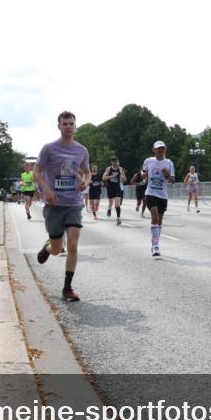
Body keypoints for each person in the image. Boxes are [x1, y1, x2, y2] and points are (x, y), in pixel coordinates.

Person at [34, 111, 90, 301]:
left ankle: (67, 288)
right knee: (58, 249)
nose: (68, 126)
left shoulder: (81, 150)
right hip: (54, 204)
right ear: (58, 126)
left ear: (75, 126)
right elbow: (37, 171)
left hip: (74, 203)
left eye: (71, 123)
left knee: (73, 244)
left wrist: (86, 182)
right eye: (65, 123)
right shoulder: (49, 148)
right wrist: (46, 190)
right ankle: (48, 247)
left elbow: (87, 172)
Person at [141, 141, 175, 256]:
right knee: (154, 215)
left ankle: (155, 240)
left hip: (163, 195)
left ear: (165, 150)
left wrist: (166, 175)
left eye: (162, 149)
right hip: (150, 193)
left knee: (159, 219)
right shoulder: (148, 161)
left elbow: (173, 181)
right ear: (154, 150)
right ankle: (156, 245)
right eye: (158, 149)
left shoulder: (169, 163)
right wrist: (143, 174)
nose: (160, 151)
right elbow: (143, 171)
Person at [102, 157, 127, 224]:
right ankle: (109, 209)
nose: (115, 163)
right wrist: (111, 176)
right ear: (111, 162)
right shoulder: (109, 169)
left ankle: (118, 218)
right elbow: (103, 178)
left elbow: (124, 180)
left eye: (116, 161)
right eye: (113, 161)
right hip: (110, 188)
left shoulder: (120, 169)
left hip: (117, 188)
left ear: (117, 162)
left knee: (117, 203)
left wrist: (122, 176)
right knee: (111, 203)